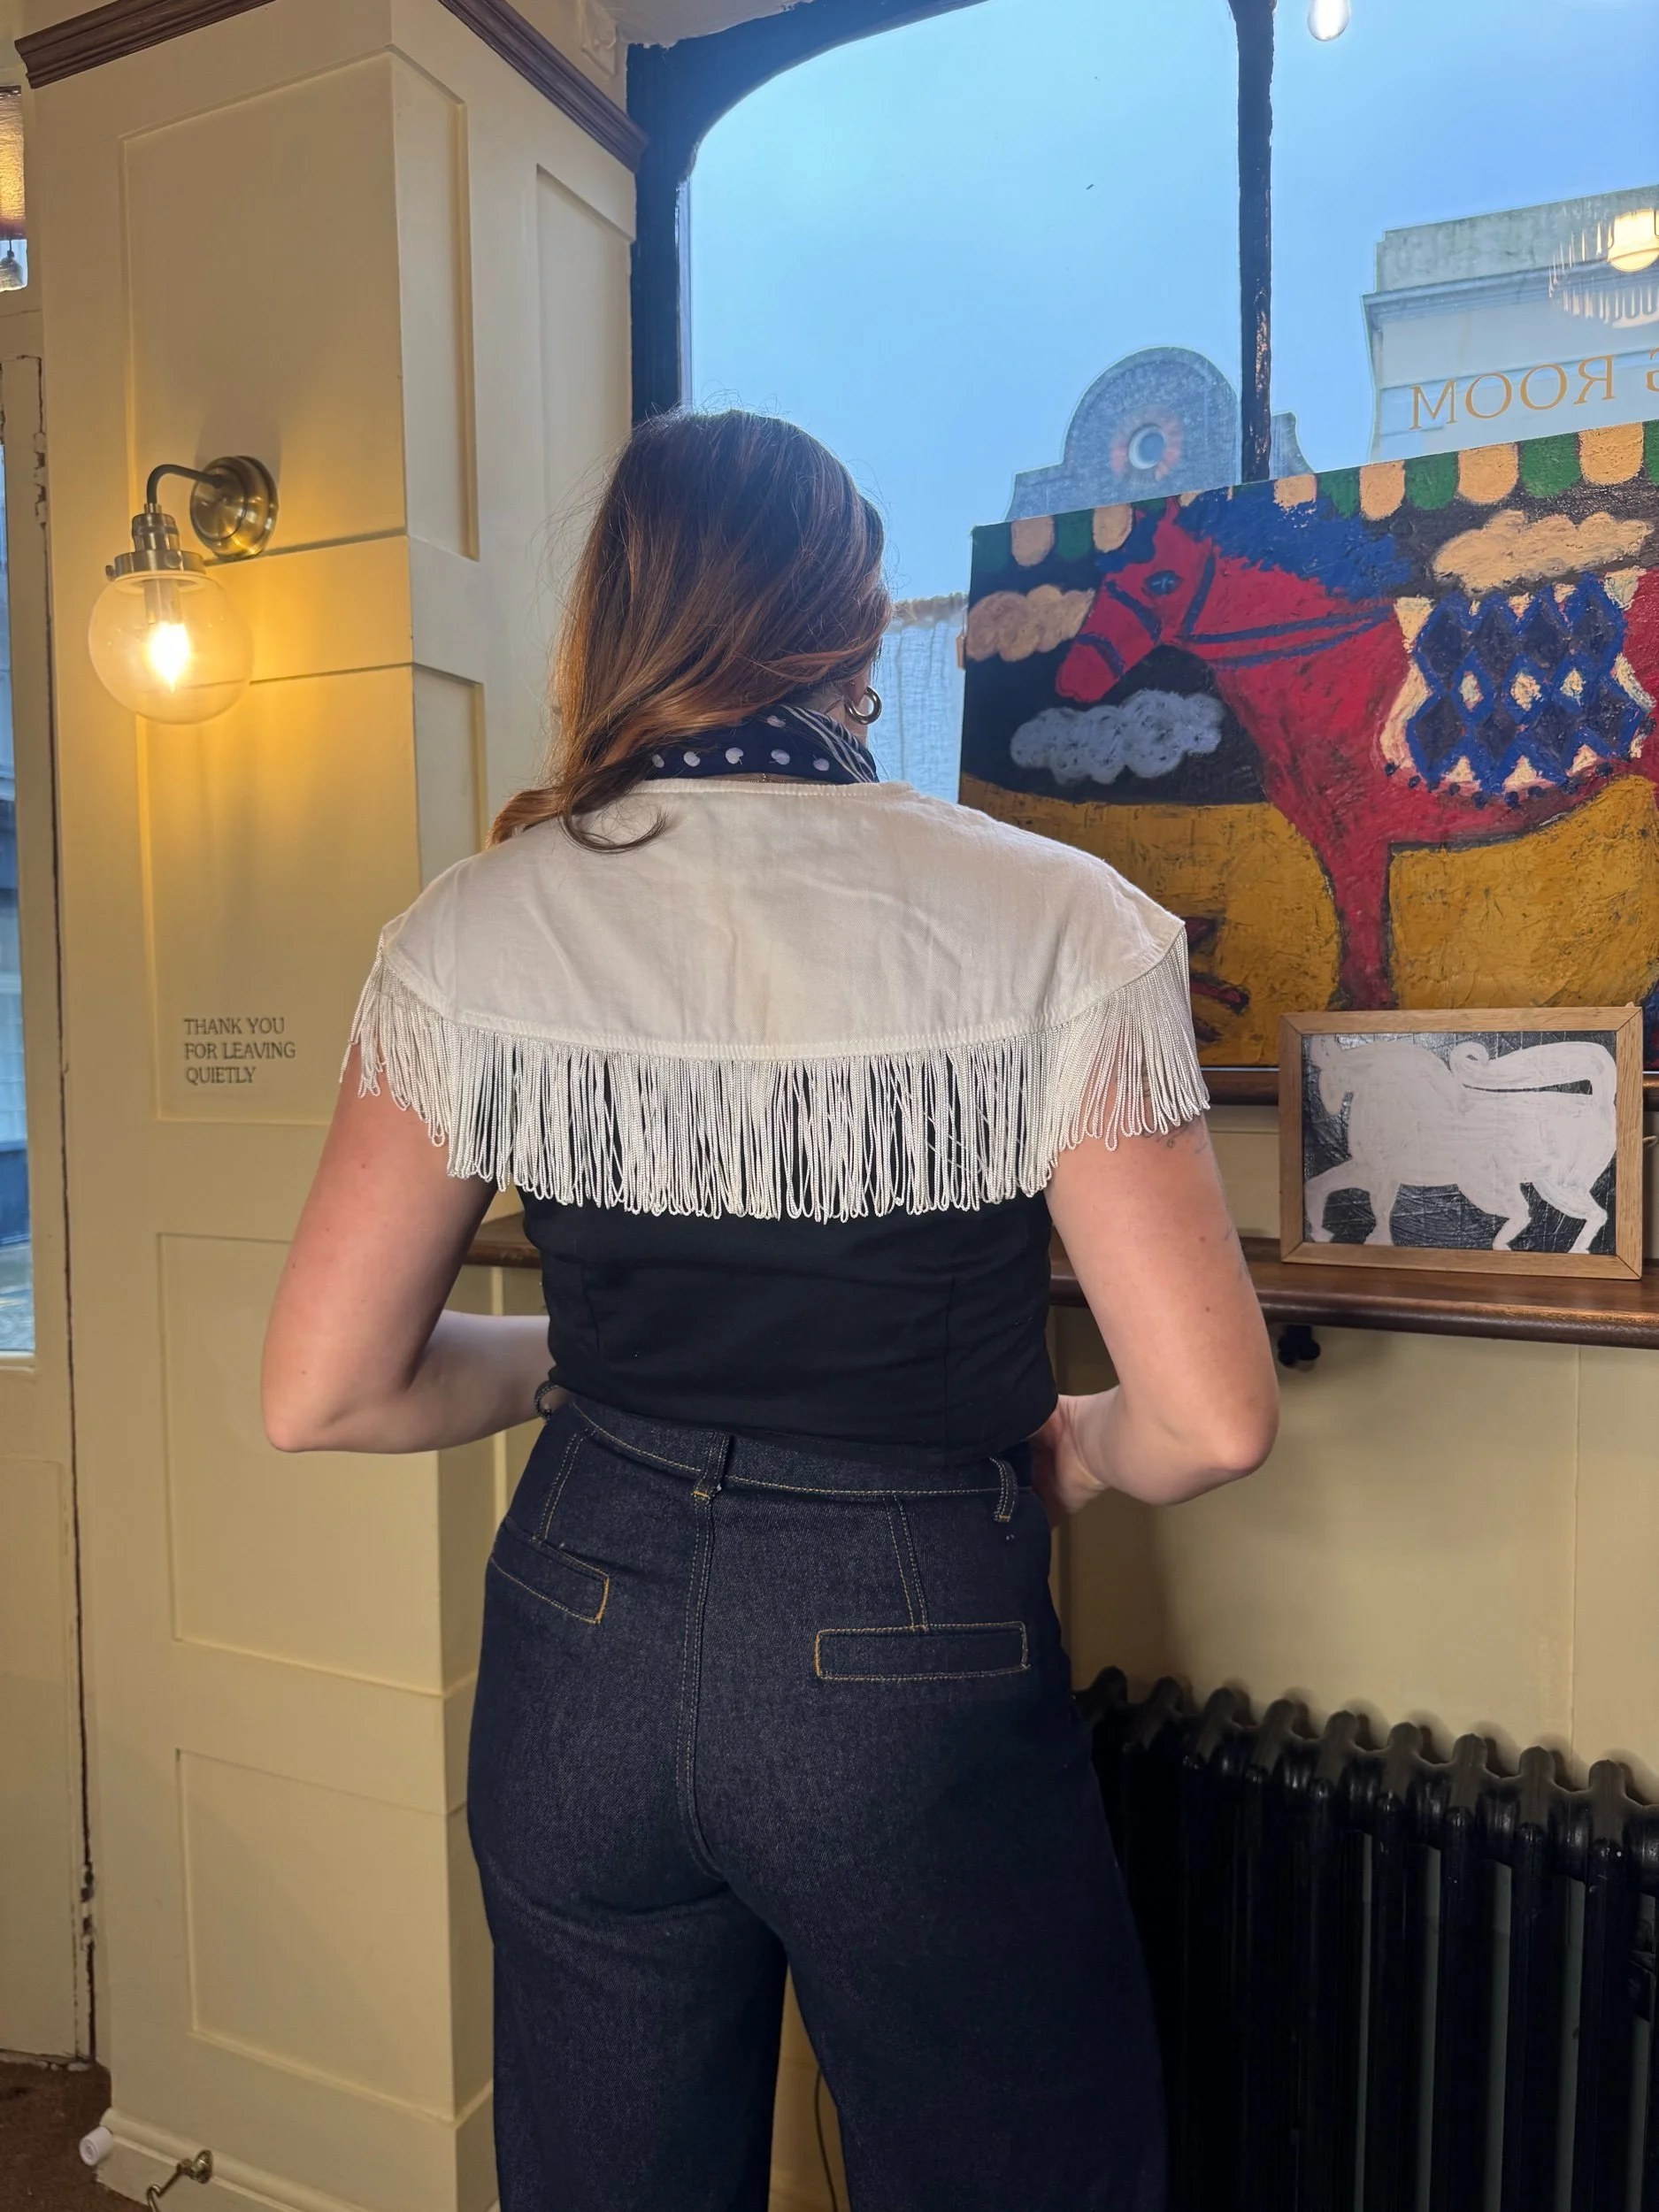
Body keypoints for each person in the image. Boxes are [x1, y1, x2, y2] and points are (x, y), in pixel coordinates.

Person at [262, 410, 1278, 2212]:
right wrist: (1068, 1445)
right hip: (905, 1638)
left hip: (576, 1616)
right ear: (856, 620)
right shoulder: (1057, 919)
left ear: (611, 613)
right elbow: (1207, 1420)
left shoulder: (467, 931)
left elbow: (323, 1393)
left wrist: (585, 1362)